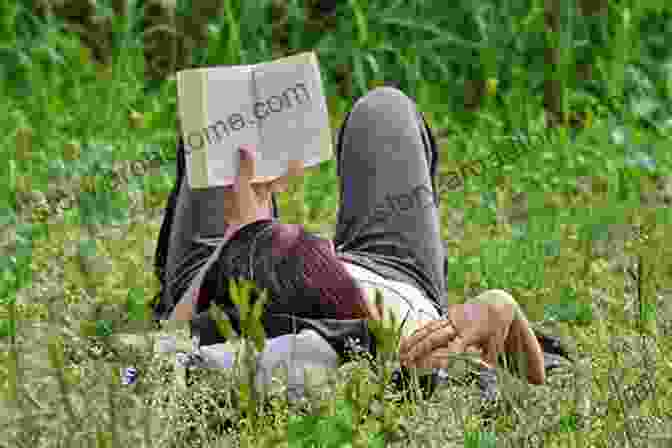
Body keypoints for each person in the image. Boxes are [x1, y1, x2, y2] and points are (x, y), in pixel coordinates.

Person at [155, 87, 545, 401]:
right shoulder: (408, 356)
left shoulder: (216, 344)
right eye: (321, 251)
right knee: (384, 109)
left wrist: (234, 243)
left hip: (223, 287)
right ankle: (269, 245)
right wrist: (500, 307)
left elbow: (158, 354)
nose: (326, 243)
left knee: (218, 126)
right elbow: (534, 388)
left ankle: (257, 241)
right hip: (393, 285)